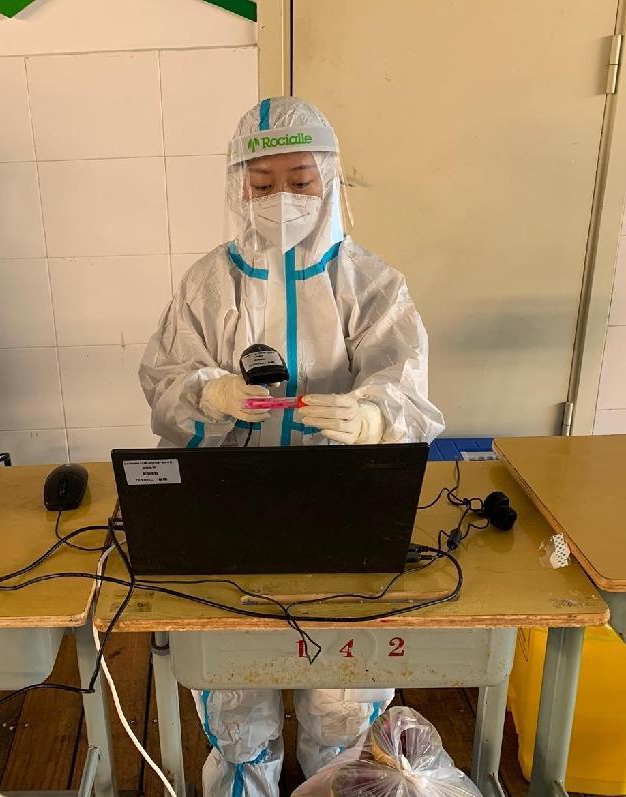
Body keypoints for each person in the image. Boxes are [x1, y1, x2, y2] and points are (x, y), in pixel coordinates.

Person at [138, 96, 445, 796]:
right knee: (235, 685)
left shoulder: (371, 284)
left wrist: (372, 418)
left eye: (300, 180)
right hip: (228, 504)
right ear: (237, 187)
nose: (282, 198)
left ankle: (334, 775)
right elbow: (164, 379)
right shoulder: (207, 284)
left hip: (343, 507)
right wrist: (207, 393)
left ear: (329, 180)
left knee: (342, 685)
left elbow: (407, 389)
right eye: (262, 182)